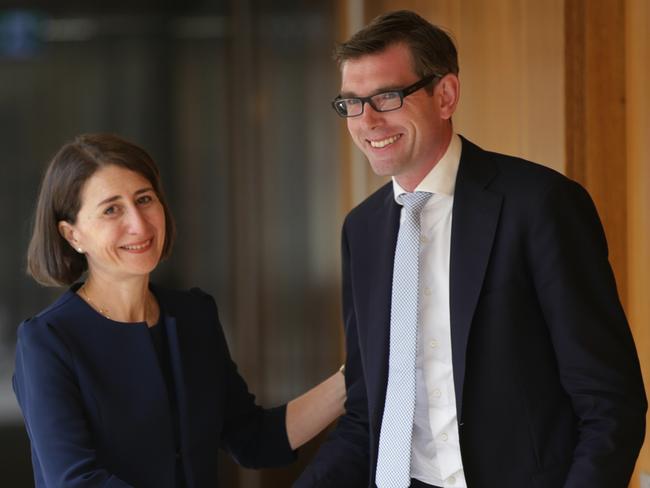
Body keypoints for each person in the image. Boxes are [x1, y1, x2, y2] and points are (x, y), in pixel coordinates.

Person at [296, 10, 647, 488]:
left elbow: (610, 402)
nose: (367, 121)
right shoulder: (362, 231)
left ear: (446, 95)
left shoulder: (541, 205)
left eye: (387, 97)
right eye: (351, 104)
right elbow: (366, 412)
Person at [13, 133, 346, 488]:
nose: (139, 225)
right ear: (72, 235)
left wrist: (352, 380)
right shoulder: (48, 341)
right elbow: (76, 482)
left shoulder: (193, 316)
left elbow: (253, 438)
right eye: (112, 209)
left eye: (144, 199)